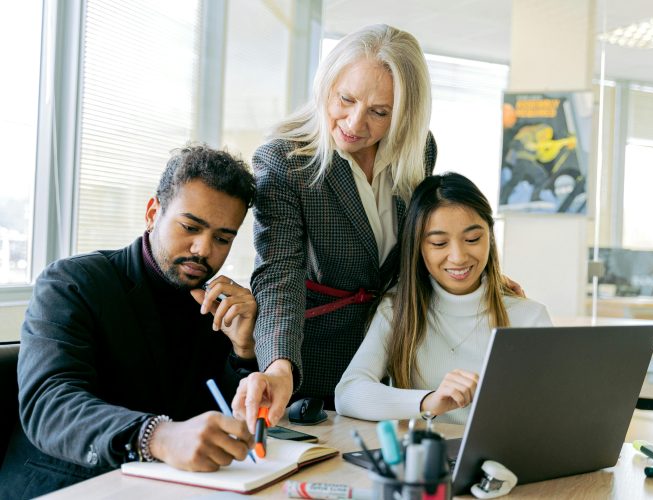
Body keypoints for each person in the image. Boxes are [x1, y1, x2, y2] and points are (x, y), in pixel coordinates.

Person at [0, 145, 258, 498]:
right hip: (67, 487)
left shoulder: (215, 306)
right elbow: (49, 404)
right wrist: (158, 435)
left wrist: (243, 351)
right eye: (190, 227)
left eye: (222, 238)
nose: (203, 249)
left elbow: (216, 423)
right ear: (153, 213)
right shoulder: (71, 283)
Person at [232, 24, 437, 433]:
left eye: (381, 112)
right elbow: (278, 274)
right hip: (315, 368)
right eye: (346, 99)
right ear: (327, 85)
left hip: (393, 368)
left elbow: (421, 243)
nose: (355, 122)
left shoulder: (418, 150)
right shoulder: (286, 160)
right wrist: (278, 366)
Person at [334, 172, 552, 425]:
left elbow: (554, 411)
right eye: (439, 243)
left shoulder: (529, 317)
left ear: (490, 237)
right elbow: (348, 393)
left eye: (473, 239)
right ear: (418, 247)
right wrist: (428, 401)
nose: (458, 257)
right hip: (425, 460)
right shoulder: (397, 310)